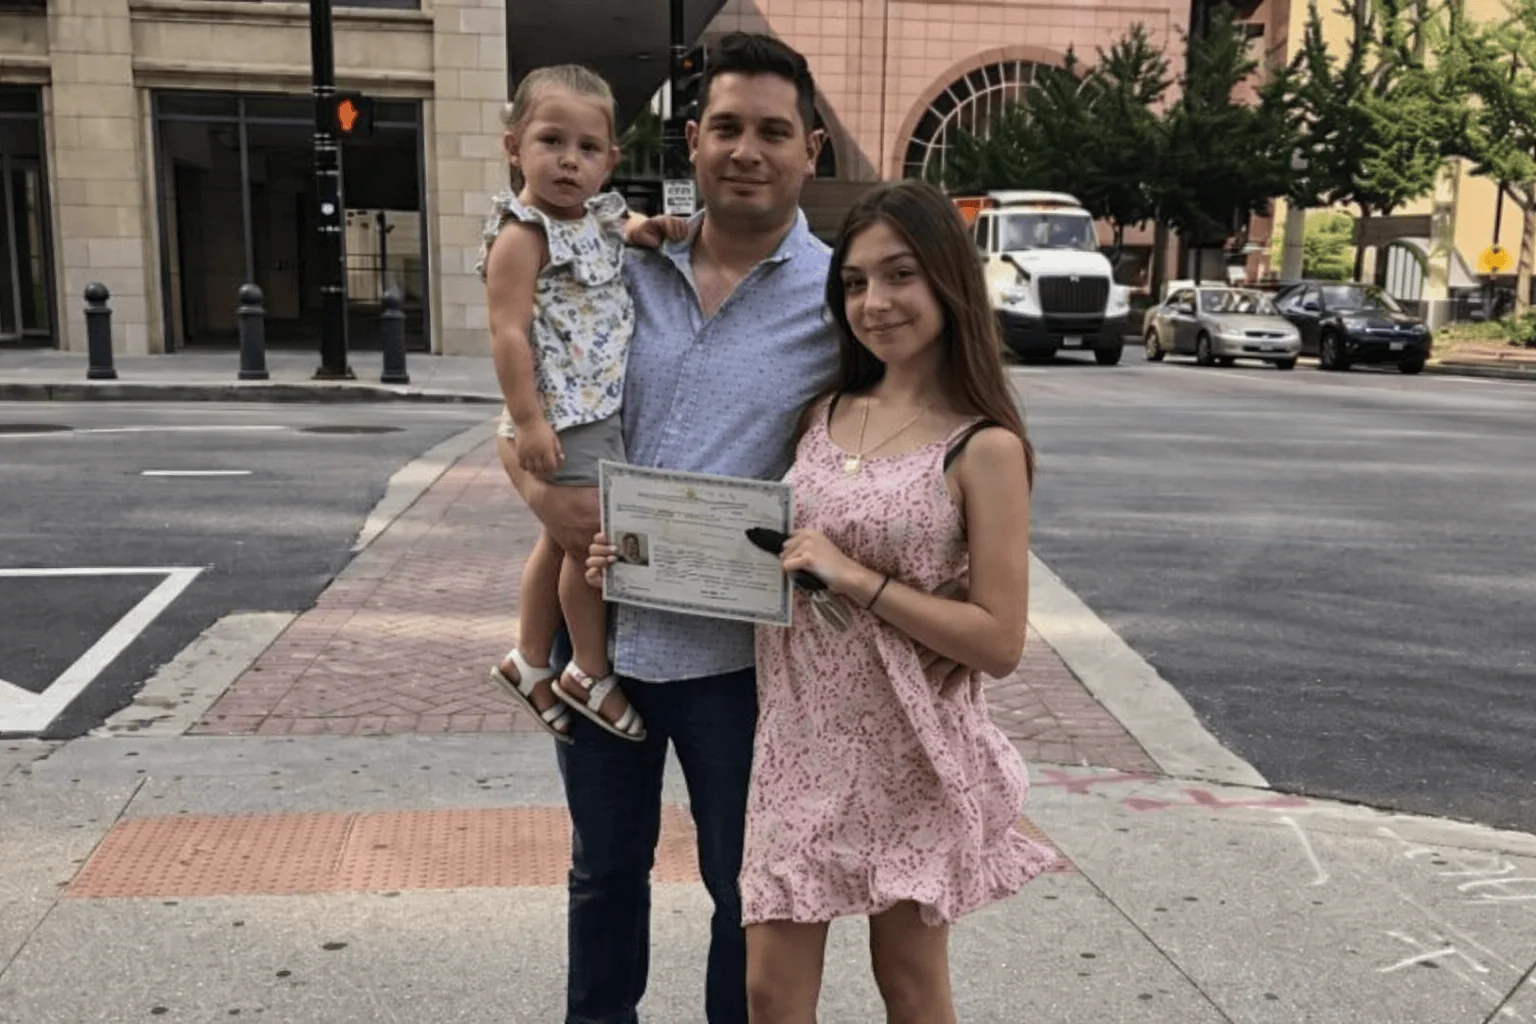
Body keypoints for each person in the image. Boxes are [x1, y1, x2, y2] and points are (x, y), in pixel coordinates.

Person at [503, 33, 903, 1024]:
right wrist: (544, 496)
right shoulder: (611, 266)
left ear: (813, 149)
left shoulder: (840, 301)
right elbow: (526, 419)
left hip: (743, 660)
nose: (747, 149)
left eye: (773, 131)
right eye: (726, 127)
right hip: (601, 642)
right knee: (603, 875)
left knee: (745, 892)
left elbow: (891, 447)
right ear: (693, 139)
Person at [736, 179, 1057, 1021]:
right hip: (799, 738)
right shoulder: (821, 413)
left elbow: (999, 640)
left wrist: (860, 580)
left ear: (948, 281)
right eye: (854, 282)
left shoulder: (983, 446)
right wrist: (636, 557)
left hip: (912, 744)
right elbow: (766, 551)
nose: (874, 302)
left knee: (910, 986)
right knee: (770, 991)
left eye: (900, 275)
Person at [478, 64, 684, 746]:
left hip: (596, 409)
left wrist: (649, 228)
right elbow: (507, 332)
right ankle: (587, 670)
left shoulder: (599, 215)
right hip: (565, 414)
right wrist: (530, 421)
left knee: (559, 540)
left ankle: (531, 660)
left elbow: (623, 229)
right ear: (514, 147)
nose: (569, 160)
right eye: (550, 141)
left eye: (588, 148)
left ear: (610, 160)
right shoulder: (523, 234)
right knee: (595, 544)